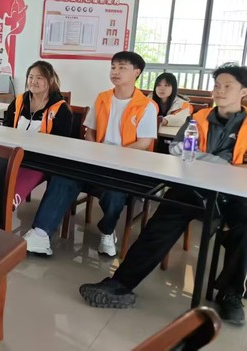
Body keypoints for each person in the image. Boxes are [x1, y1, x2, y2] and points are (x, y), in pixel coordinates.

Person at [79, 64, 247, 326]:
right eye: (217, 86)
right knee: (161, 222)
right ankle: (120, 284)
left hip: (234, 194)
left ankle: (231, 294)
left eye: (228, 86)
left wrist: (207, 160)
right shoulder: (199, 117)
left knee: (244, 228)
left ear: (243, 92)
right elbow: (178, 148)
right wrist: (212, 161)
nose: (220, 91)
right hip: (194, 188)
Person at [25, 51, 158, 257]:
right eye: (113, 67)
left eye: (122, 68)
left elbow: (144, 143)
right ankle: (40, 234)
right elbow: (90, 132)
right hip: (97, 162)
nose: (115, 72)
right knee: (64, 175)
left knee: (115, 193)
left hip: (127, 168)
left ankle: (107, 231)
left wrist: (114, 157)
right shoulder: (102, 98)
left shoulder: (147, 106)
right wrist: (96, 151)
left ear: (136, 72)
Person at [4, 61, 73, 207]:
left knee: (8, 197)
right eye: (30, 77)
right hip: (14, 155)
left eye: (39, 78)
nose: (33, 81)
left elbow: (61, 143)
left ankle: (7, 207)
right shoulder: (19, 101)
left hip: (41, 161)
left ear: (50, 80)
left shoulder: (61, 108)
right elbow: (6, 128)